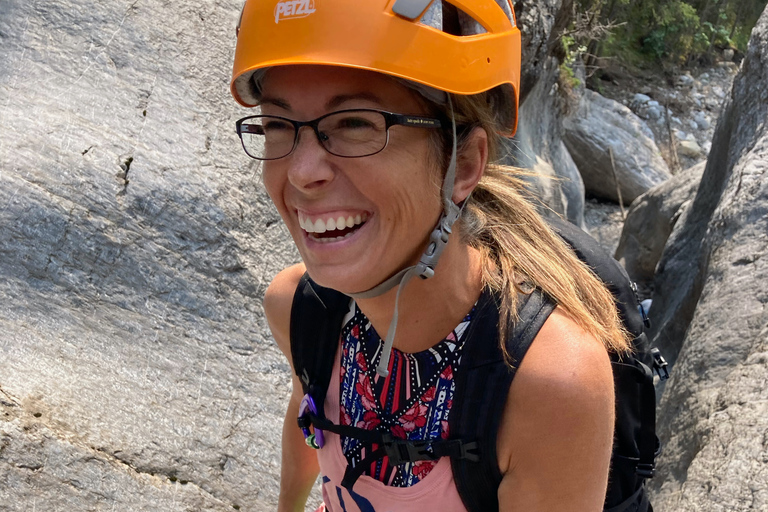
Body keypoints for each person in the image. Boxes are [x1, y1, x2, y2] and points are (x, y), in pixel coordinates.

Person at [230, 1, 631, 510]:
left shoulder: (549, 383)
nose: (302, 171)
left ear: (463, 164)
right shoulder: (301, 310)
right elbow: (308, 413)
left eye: (356, 123)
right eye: (276, 126)